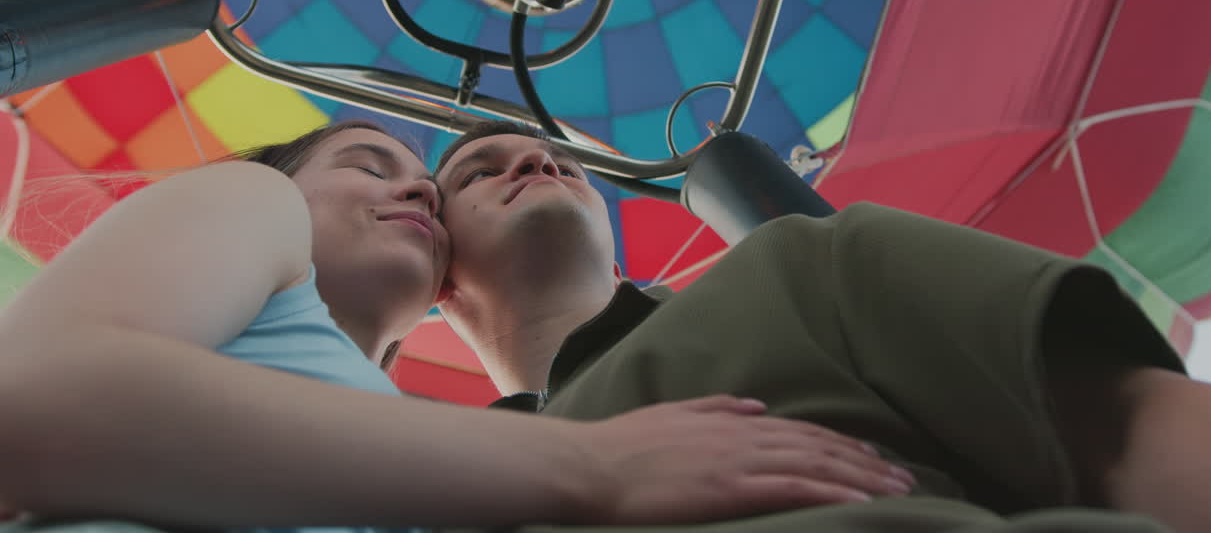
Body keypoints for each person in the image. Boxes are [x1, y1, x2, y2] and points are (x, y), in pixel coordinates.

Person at [0, 120, 911, 532]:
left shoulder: (394, 439)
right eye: (368, 163)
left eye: (433, 202)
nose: (411, 191)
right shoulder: (256, 201)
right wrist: (594, 469)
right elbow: (30, 399)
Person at [431, 120, 1211, 533]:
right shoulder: (428, 492)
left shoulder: (803, 267)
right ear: (435, 278)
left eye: (562, 162)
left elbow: (1128, 425)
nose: (535, 161)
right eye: (478, 172)